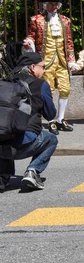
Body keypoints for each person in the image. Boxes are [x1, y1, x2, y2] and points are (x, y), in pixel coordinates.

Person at [23, 0, 84, 133]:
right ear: (46, 5)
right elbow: (31, 36)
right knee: (48, 90)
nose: (54, 7)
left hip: (62, 61)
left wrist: (72, 60)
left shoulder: (65, 21)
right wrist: (29, 44)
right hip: (46, 61)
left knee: (65, 89)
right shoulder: (36, 20)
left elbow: (69, 41)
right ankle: (50, 119)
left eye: (56, 4)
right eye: (51, 4)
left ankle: (61, 119)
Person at [0, 53, 58, 192]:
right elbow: (50, 114)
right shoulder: (41, 84)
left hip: (2, 143)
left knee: (7, 132)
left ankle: (3, 177)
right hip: (24, 143)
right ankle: (33, 171)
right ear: (33, 67)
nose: (44, 71)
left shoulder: (7, 81)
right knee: (51, 139)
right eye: (42, 67)